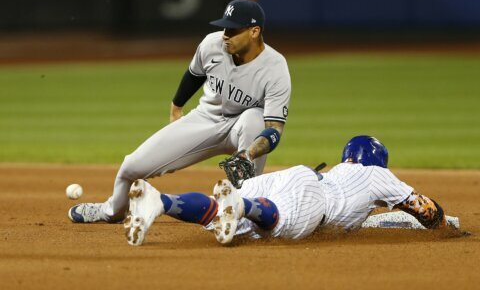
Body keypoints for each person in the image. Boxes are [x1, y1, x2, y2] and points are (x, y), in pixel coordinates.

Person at [68, 0, 291, 223]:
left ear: (254, 31)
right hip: (206, 119)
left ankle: (243, 212)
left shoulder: (275, 67)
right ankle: (112, 211)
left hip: (243, 130)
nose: (225, 34)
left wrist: (248, 154)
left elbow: (274, 129)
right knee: (130, 167)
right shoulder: (212, 45)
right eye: (224, 27)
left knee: (255, 118)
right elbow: (194, 75)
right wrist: (176, 108)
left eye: (233, 30)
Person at [124, 135, 451, 246]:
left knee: (223, 218)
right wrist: (445, 227)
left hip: (289, 179)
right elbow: (426, 211)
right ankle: (241, 204)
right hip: (310, 197)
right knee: (274, 219)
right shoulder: (378, 174)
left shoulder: (343, 173)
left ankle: (161, 201)